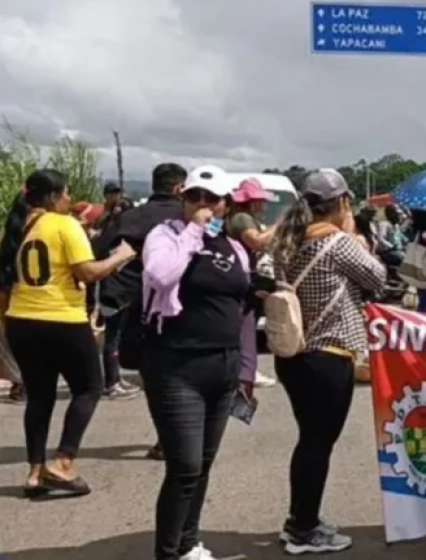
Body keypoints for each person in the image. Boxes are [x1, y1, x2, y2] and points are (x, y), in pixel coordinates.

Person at [0, 169, 136, 497]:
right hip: (61, 319)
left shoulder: (14, 229)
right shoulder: (65, 225)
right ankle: (63, 461)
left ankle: (34, 471)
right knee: (90, 387)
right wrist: (120, 256)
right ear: (52, 197)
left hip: (21, 320)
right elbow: (87, 272)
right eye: (66, 194)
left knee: (40, 395)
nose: (69, 200)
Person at [140, 165, 253, 560]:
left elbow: (242, 306)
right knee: (185, 465)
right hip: (175, 365)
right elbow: (160, 275)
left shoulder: (233, 247)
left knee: (202, 465)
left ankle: (188, 544)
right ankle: (168, 553)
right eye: (195, 197)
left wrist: (246, 368)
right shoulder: (166, 236)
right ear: (183, 199)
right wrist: (192, 231)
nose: (203, 205)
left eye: (212, 198)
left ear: (225, 204)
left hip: (222, 365)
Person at [271, 169, 386, 554]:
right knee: (318, 444)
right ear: (341, 203)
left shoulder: (288, 239)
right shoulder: (339, 242)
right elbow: (377, 278)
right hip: (329, 355)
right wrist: (355, 235)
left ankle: (300, 518)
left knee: (309, 441)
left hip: (295, 355)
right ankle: (303, 528)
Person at [97, 163, 187, 454]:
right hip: (179, 303)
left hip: (135, 303)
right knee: (182, 372)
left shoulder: (130, 216)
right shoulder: (185, 217)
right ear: (179, 187)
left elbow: (98, 248)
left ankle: (165, 437)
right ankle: (179, 436)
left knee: (153, 375)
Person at [226, 178, 279, 389]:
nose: (264, 205)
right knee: (246, 325)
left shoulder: (240, 217)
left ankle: (243, 369)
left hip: (242, 275)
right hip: (242, 277)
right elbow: (258, 241)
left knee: (245, 323)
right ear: (252, 202)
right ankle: (247, 372)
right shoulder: (242, 219)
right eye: (261, 200)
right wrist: (279, 225)